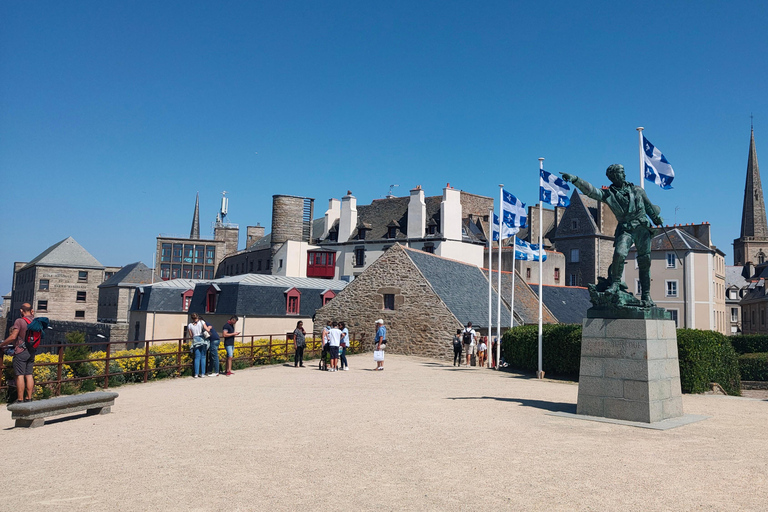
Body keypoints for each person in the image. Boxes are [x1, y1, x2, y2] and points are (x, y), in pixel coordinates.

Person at [561, 164, 663, 305]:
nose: (624, 175)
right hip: (626, 229)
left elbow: (649, 207)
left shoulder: (637, 190)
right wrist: (576, 179)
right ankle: (615, 283)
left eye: (624, 172)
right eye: (621, 172)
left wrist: (656, 218)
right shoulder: (609, 194)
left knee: (644, 262)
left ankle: (646, 295)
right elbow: (591, 191)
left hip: (642, 229)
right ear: (613, 176)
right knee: (619, 253)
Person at [0, 303, 37, 402]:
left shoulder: (19, 321)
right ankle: (29, 398)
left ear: (21, 311)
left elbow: (13, 336)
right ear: (31, 310)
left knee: (20, 375)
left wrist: (2, 344)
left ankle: (20, 399)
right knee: (29, 374)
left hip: (21, 351)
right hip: (32, 351)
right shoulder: (35, 321)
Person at [188, 313, 209, 378]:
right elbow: (207, 330)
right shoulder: (202, 322)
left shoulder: (190, 325)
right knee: (203, 357)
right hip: (202, 339)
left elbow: (191, 335)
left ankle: (196, 374)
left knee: (197, 357)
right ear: (197, 317)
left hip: (195, 340)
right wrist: (209, 328)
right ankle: (202, 373)